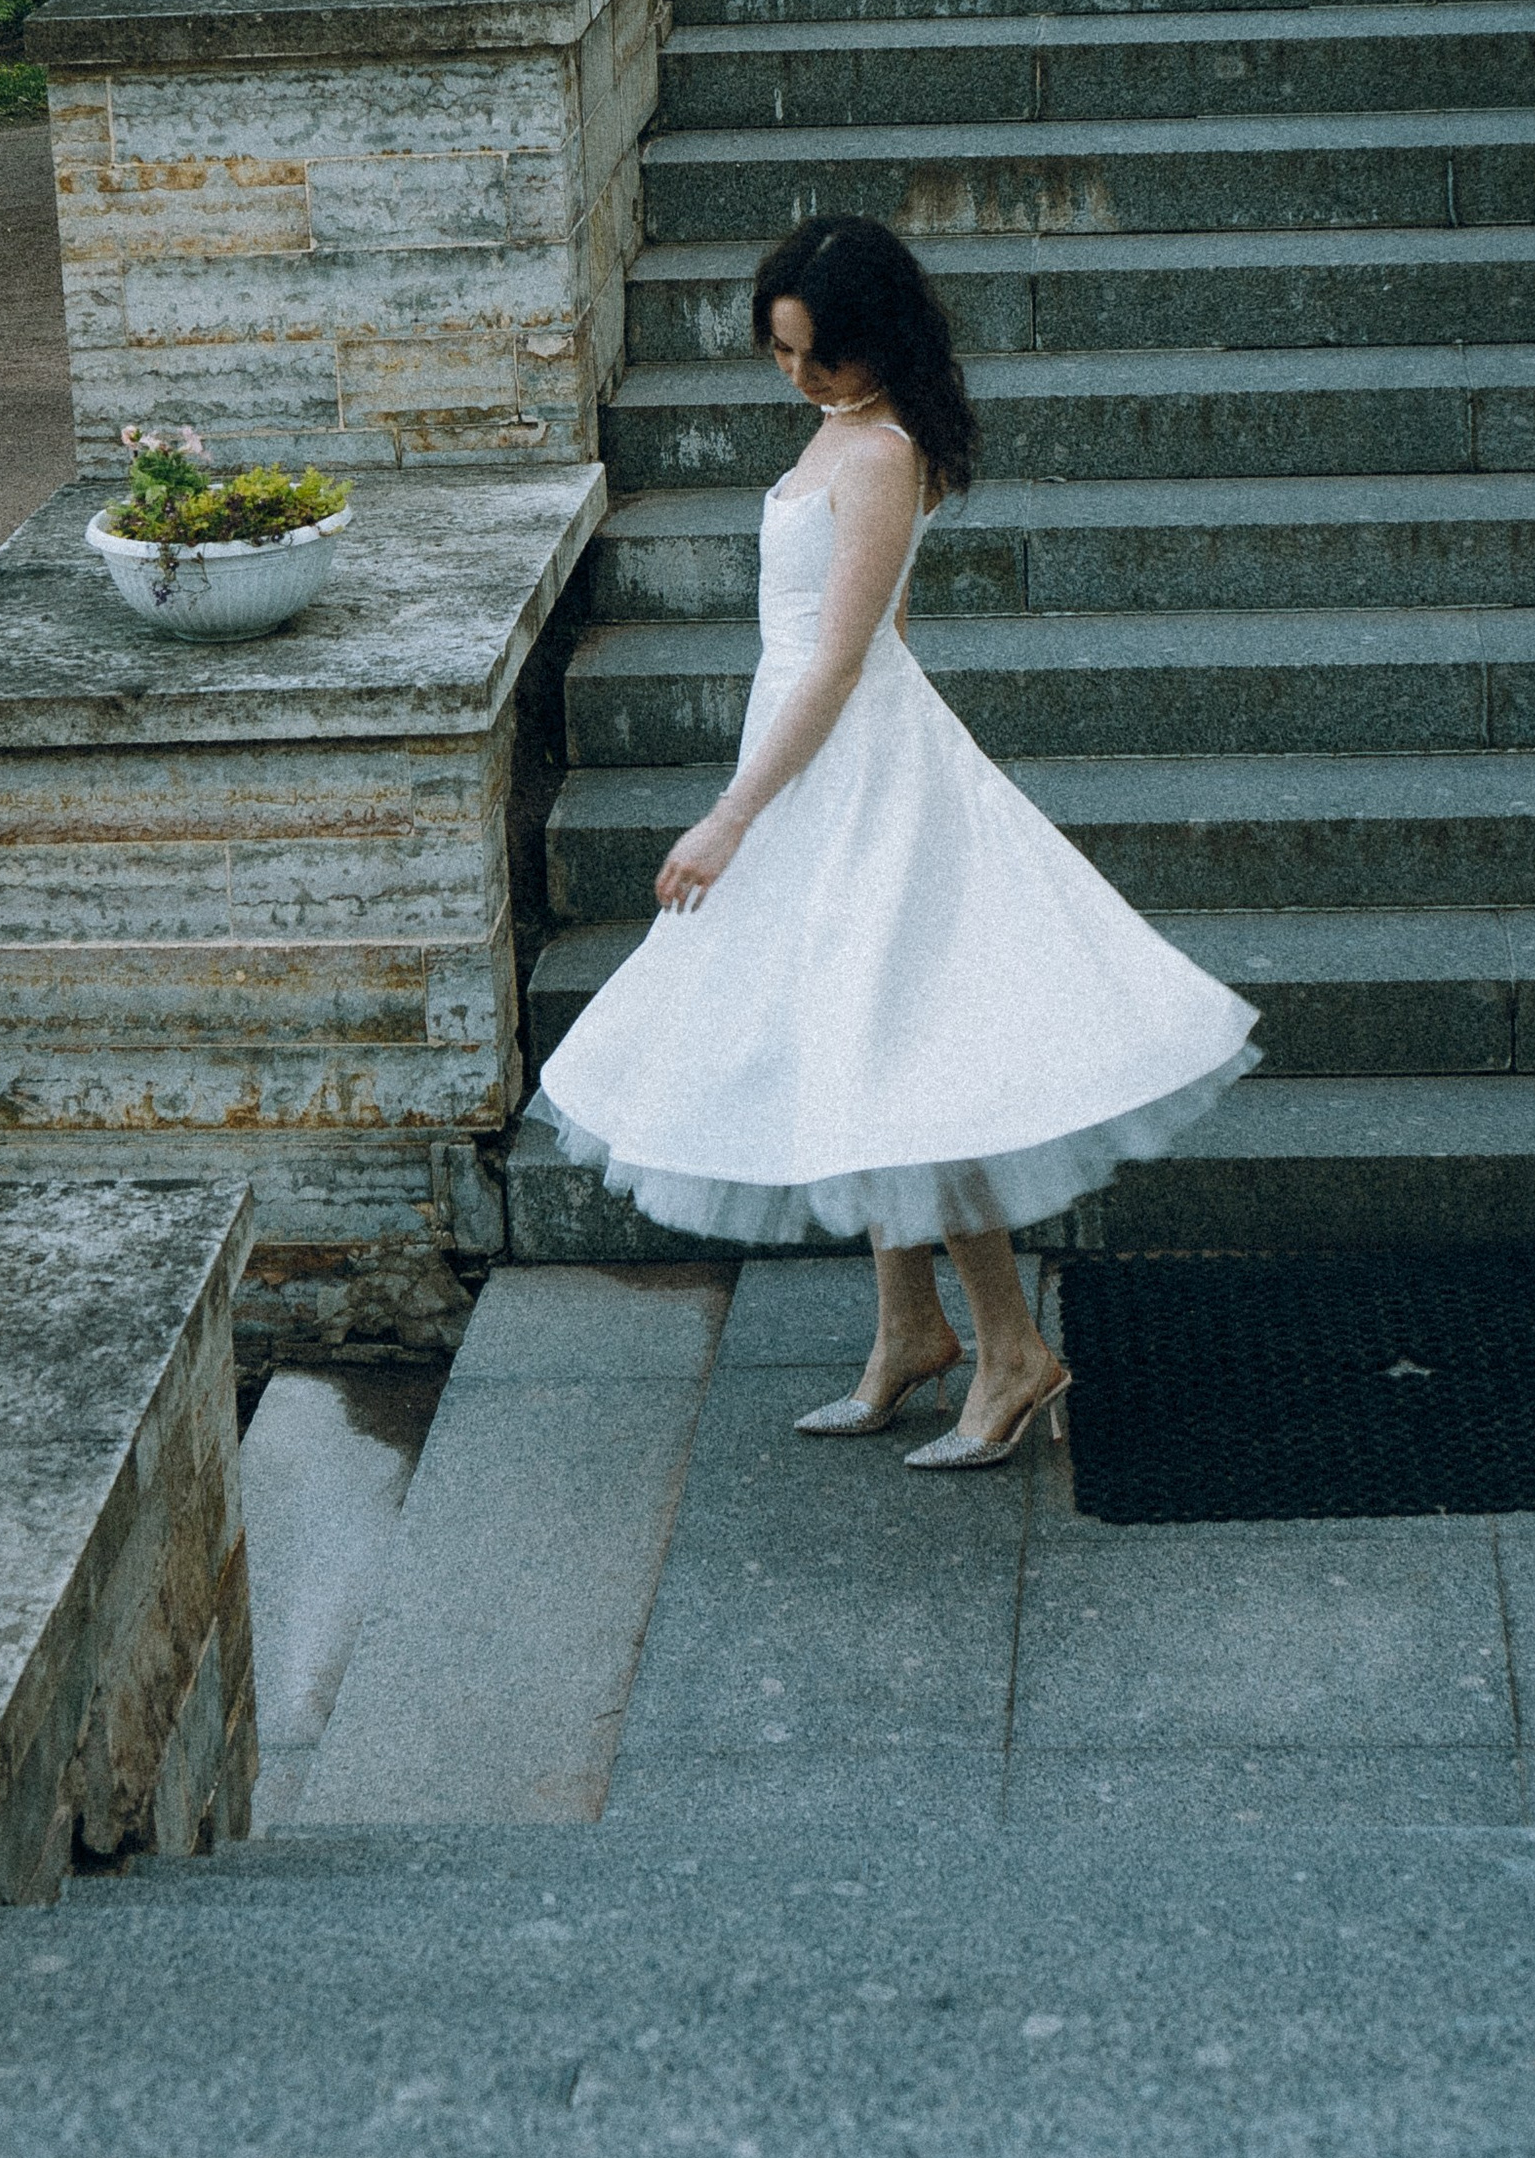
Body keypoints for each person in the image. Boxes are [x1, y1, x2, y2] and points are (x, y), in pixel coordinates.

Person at [532, 214, 1259, 1468]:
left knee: (910, 1059)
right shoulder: (845, 435)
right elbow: (881, 634)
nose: (797, 378)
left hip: (845, 761)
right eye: (779, 353)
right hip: (834, 759)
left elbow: (847, 656)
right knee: (854, 1044)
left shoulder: (878, 455)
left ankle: (1012, 1349)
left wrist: (732, 815)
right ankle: (909, 1332)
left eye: (818, 355)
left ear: (878, 343)